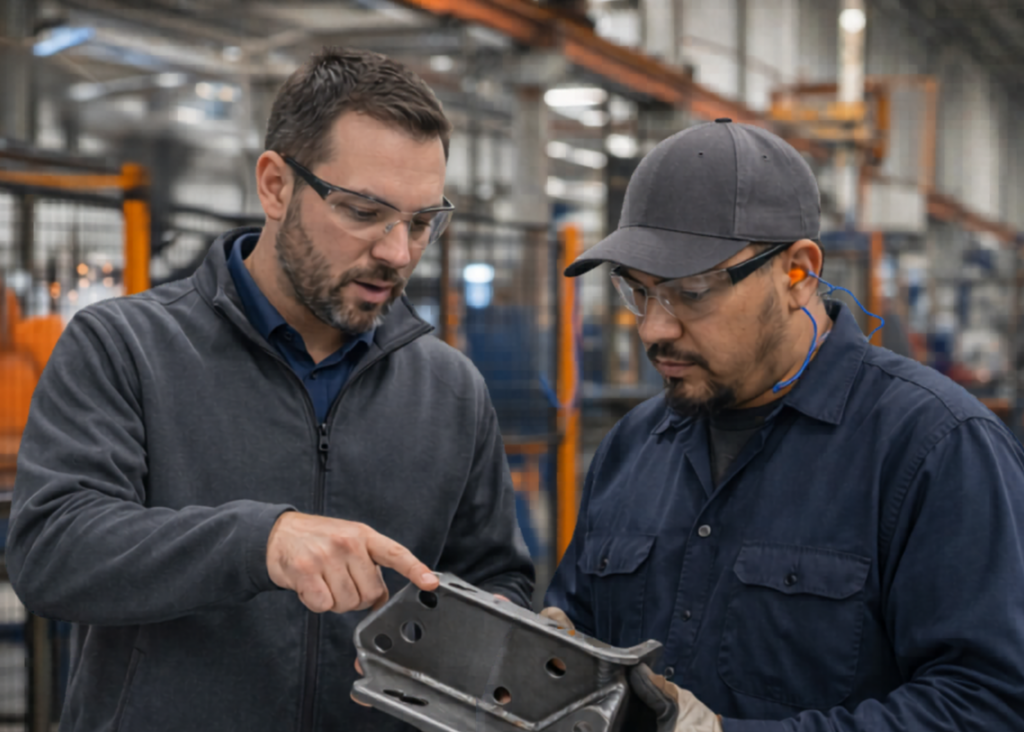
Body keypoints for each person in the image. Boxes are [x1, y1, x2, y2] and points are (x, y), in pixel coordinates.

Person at [6, 47, 533, 732]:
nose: (398, 252)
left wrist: (509, 645)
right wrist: (261, 541)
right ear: (276, 185)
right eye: (365, 211)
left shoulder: (451, 390)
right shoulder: (126, 348)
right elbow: (53, 551)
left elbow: (495, 579)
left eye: (422, 222)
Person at [542, 119, 1024, 730]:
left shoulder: (934, 449)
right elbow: (574, 631)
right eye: (639, 292)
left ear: (797, 271)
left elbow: (987, 704)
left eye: (691, 291)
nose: (654, 329)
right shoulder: (634, 447)